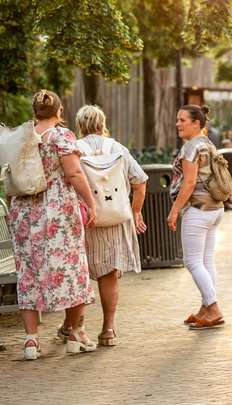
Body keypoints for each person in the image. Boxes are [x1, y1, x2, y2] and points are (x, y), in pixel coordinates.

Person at [9, 91, 98, 359]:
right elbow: (73, 172)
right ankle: (77, 335)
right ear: (59, 111)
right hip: (57, 211)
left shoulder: (21, 138)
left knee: (27, 272)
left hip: (23, 211)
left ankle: (31, 341)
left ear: (35, 111)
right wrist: (91, 203)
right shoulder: (61, 136)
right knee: (72, 268)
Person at [55, 105, 148, 347]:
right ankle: (108, 330)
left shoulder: (73, 149)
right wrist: (136, 211)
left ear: (79, 126)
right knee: (109, 276)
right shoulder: (118, 148)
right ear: (102, 125)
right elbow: (140, 181)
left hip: (85, 220)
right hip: (116, 219)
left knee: (78, 275)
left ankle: (70, 327)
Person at [168, 105, 226, 330]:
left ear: (196, 123)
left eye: (182, 120)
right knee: (206, 260)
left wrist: (174, 211)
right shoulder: (208, 144)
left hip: (198, 210)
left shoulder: (192, 146)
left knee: (192, 262)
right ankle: (205, 307)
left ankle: (213, 307)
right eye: (177, 119)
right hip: (215, 209)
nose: (178, 124)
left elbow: (190, 183)